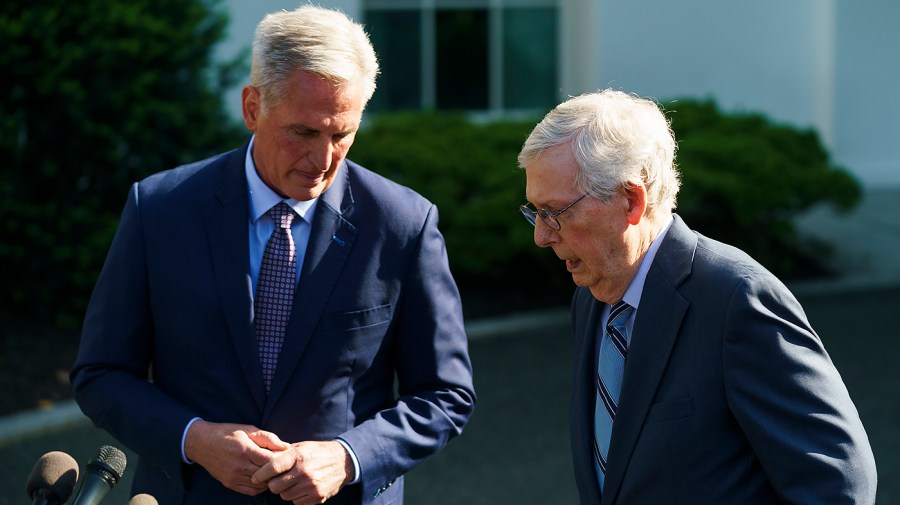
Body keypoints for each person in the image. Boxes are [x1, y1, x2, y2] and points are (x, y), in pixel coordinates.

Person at [70, 6, 475, 505]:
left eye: (342, 134)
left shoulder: (402, 224)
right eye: (304, 132)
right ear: (252, 107)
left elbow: (444, 395)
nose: (323, 160)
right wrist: (193, 439)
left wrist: (347, 457)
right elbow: (101, 374)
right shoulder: (159, 210)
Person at [517, 89, 877, 504]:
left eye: (556, 213)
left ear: (631, 200)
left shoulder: (736, 299)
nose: (541, 236)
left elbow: (840, 483)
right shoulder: (593, 295)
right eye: (534, 211)